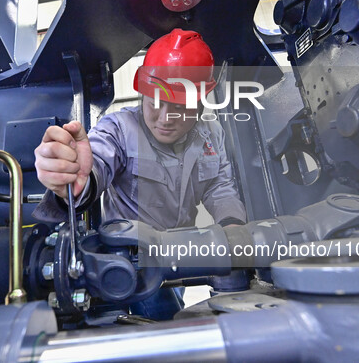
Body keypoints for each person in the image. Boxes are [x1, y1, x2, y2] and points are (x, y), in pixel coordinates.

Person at [33, 28, 246, 319]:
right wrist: (74, 182)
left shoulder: (212, 135)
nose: (164, 118)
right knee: (165, 324)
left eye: (180, 106)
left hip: (182, 253)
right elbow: (96, 166)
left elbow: (219, 187)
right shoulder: (118, 129)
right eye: (155, 102)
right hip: (134, 261)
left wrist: (233, 229)